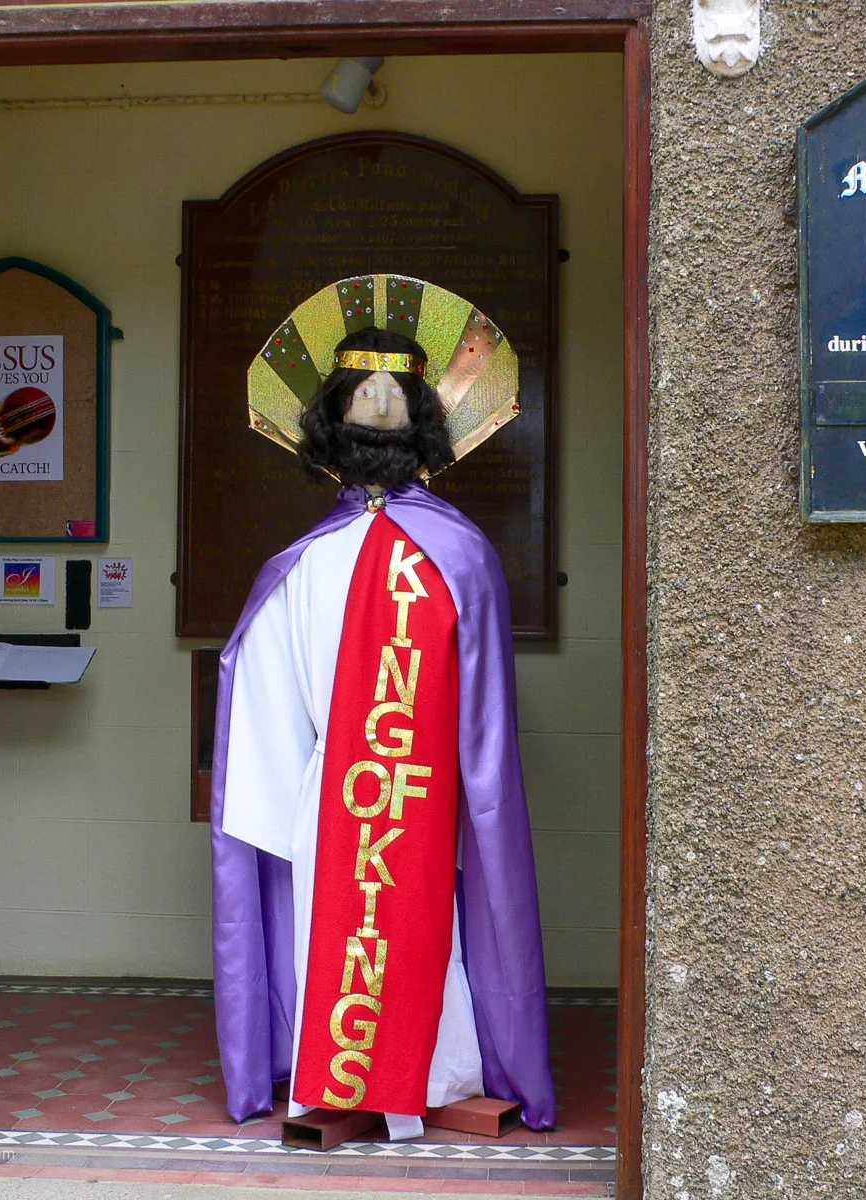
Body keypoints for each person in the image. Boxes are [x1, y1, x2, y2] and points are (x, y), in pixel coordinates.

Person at [209, 276, 555, 1142]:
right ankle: (341, 1074)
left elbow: (481, 702)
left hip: (427, 792)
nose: (375, 410)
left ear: (423, 426)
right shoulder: (305, 558)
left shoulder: (460, 551)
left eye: (392, 399)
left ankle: (437, 1074)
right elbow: (268, 684)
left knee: (427, 936)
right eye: (359, 398)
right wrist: (282, 782)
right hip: (333, 794)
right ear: (330, 422)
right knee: (332, 927)